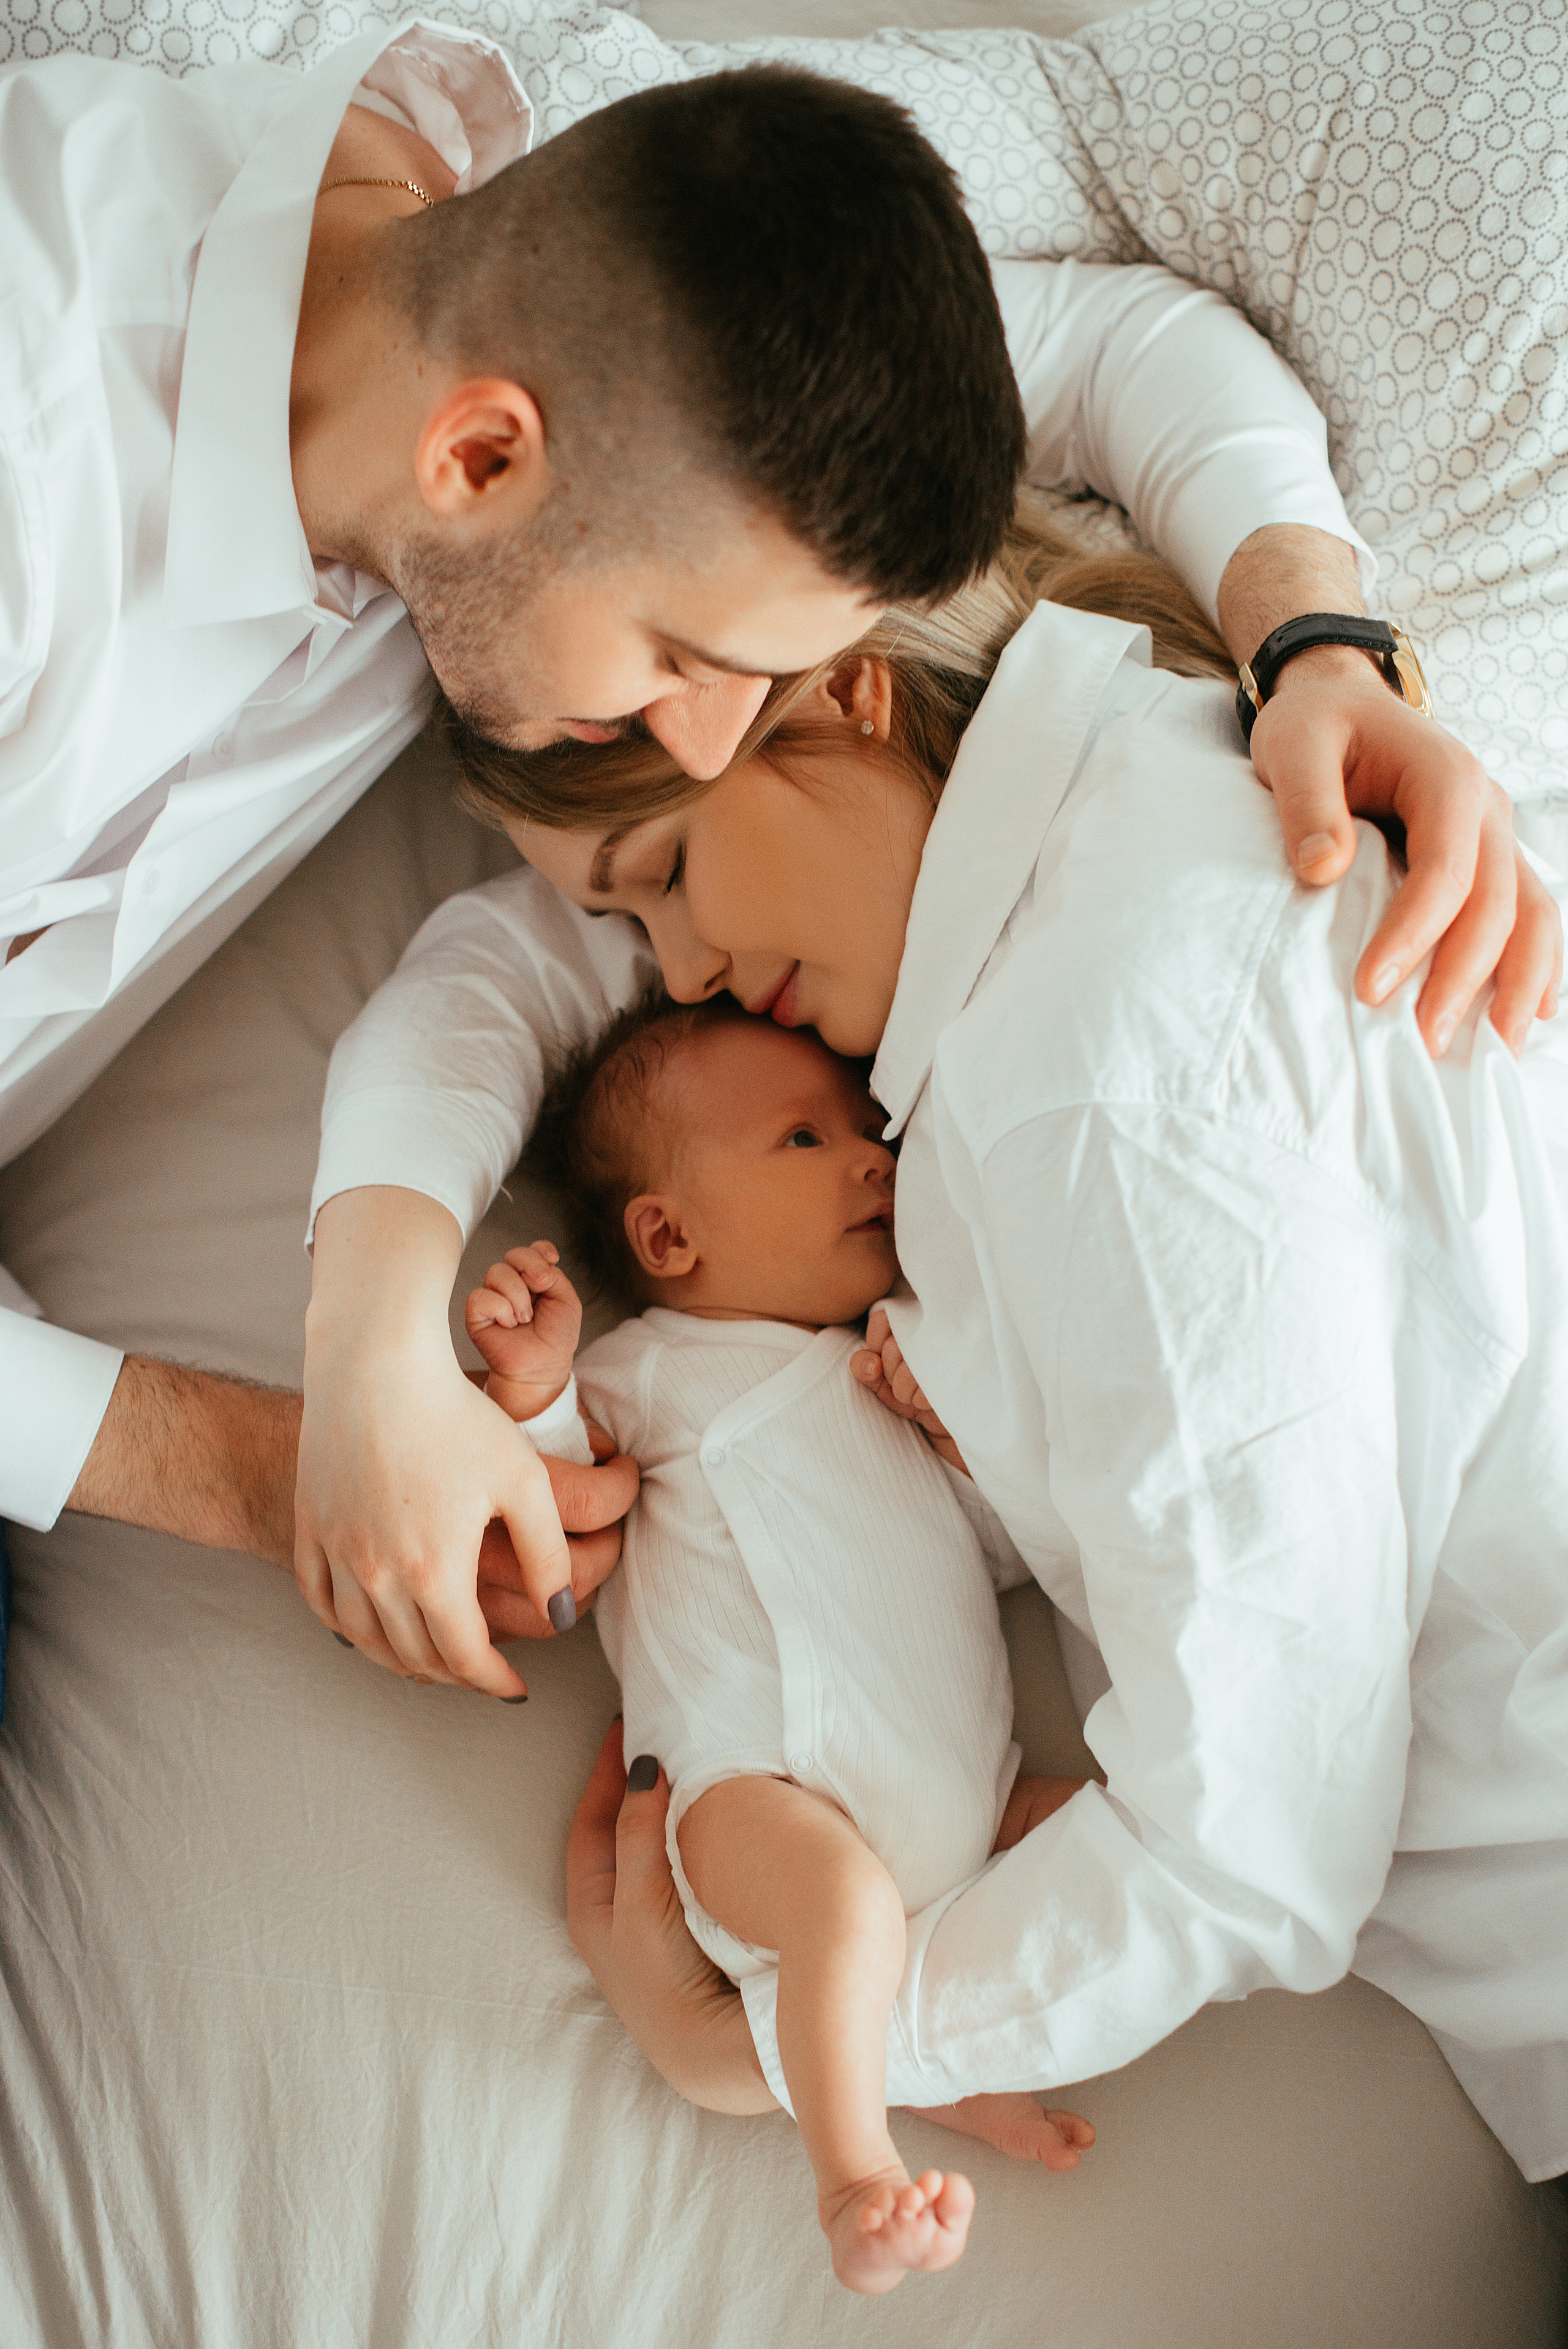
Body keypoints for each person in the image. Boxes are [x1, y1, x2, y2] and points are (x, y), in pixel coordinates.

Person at [0, 17, 1550, 1694]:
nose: (708, 740)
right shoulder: (53, 445)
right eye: (677, 655)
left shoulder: (549, 312)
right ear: (479, 458)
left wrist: (1317, 645)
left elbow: (1113, 348)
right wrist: (276, 1462)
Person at [422, 495, 1566, 2184]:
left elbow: (1255, 1833)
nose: (691, 975)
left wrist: (781, 2055)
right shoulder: (1180, 767)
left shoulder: (1084, 1078)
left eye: (667, 873)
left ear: (841, 689)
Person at [461, 995, 1095, 2293]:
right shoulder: (651, 1367)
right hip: (757, 1796)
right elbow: (544, 1507)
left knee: (1114, 1828)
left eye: (868, 1131)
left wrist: (963, 1437)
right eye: (804, 1141)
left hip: (967, 1806)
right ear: (667, 1233)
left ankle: (925, 2067)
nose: (872, 1157)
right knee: (847, 1913)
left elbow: (1008, 1552)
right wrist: (530, 1391)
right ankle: (855, 2173)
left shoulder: (883, 1368)